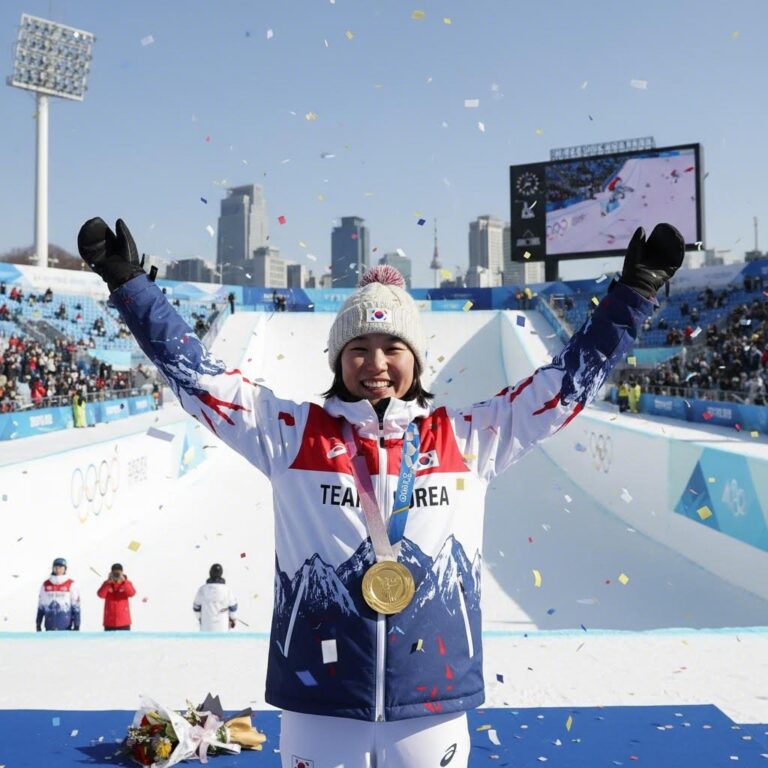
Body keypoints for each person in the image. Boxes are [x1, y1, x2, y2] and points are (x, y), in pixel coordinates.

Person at [77, 217, 683, 768]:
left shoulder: (467, 437)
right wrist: (131, 287)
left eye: (393, 348)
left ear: (415, 360)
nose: (376, 363)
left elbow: (562, 387)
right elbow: (200, 379)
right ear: (338, 360)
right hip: (320, 704)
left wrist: (633, 294)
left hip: (432, 703)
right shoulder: (290, 433)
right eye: (359, 349)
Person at [36, 557, 80, 632]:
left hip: (66, 626)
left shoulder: (71, 584)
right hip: (49, 626)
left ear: (65, 569)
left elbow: (76, 606)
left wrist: (77, 624)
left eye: (61, 568)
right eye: (56, 567)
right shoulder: (46, 584)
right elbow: (41, 605)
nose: (58, 570)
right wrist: (38, 623)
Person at [193, 564, 238, 632]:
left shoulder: (202, 589)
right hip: (223, 626)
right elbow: (233, 607)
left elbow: (196, 607)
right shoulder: (227, 590)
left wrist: (200, 618)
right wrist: (232, 619)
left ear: (210, 573)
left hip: (206, 626)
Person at [97, 563, 136, 631]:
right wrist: (108, 583)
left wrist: (124, 582)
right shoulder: (107, 583)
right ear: (111, 573)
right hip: (109, 622)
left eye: (118, 573)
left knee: (124, 638)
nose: (116, 575)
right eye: (114, 573)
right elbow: (100, 595)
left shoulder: (126, 583)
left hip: (124, 622)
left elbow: (132, 593)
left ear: (122, 573)